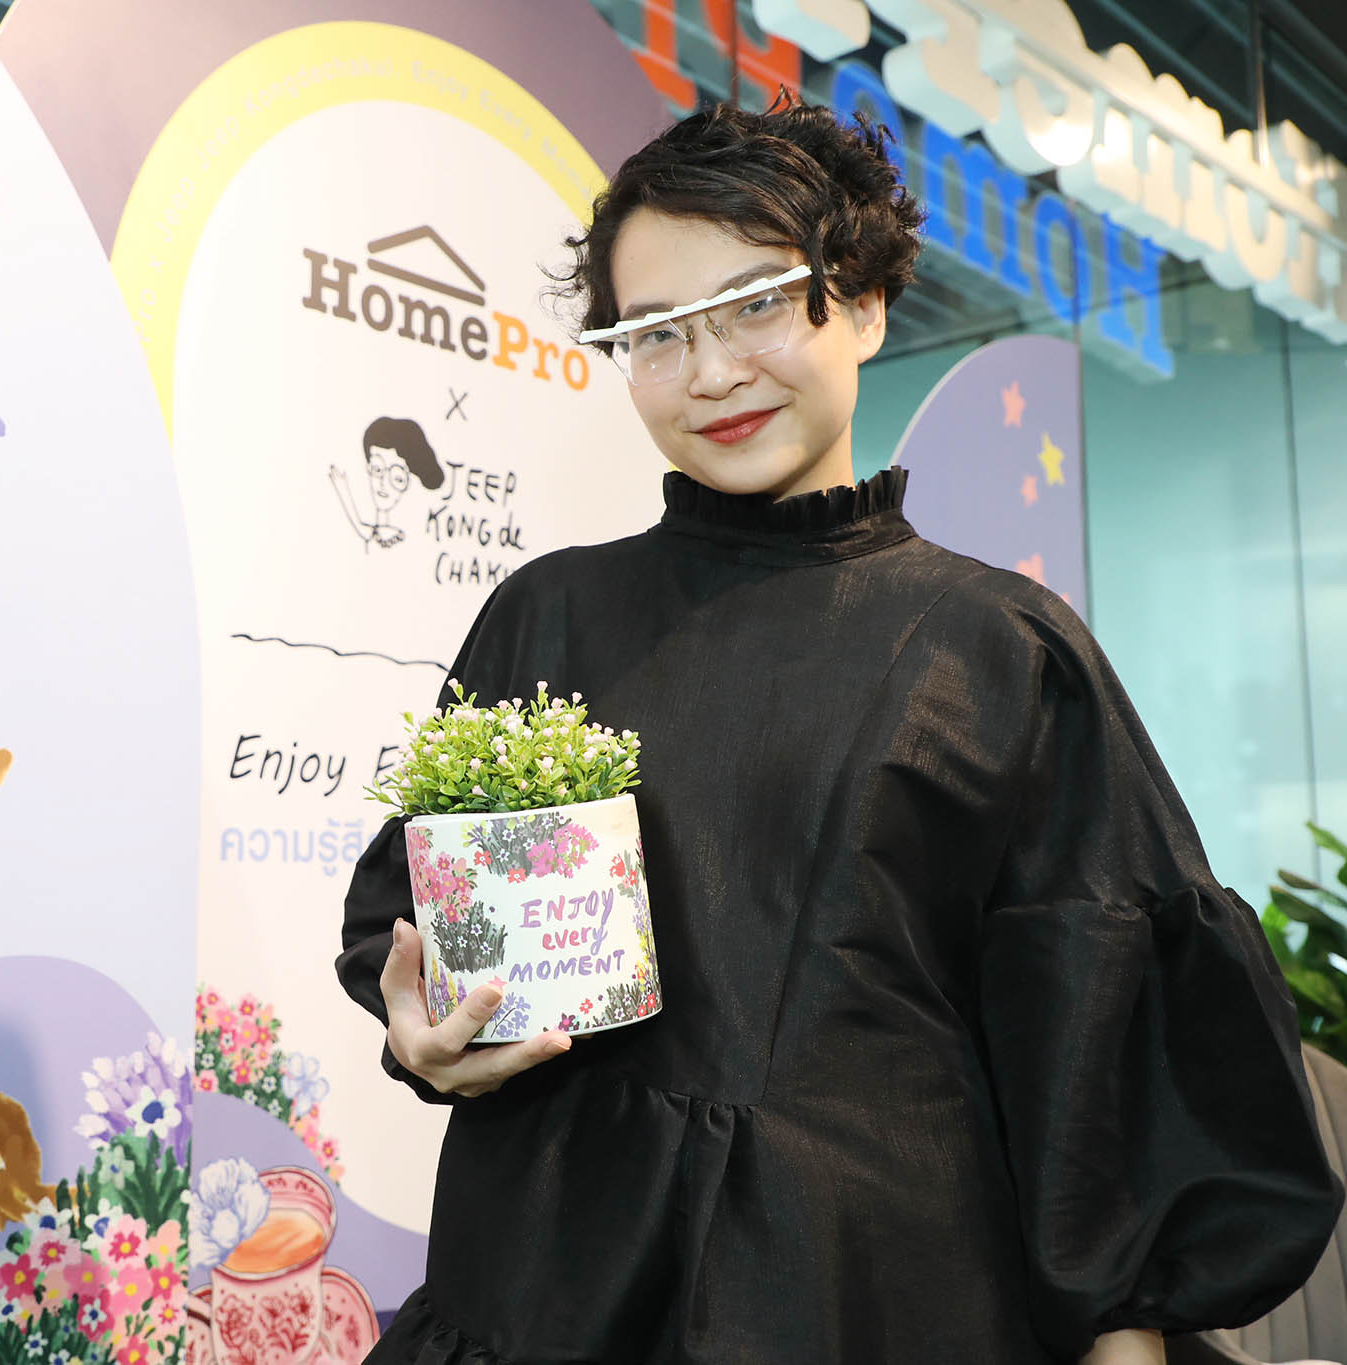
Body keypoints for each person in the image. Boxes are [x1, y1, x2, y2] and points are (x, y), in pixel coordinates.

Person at [335, 92, 1342, 1365]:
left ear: (860, 305)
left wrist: (1121, 1334)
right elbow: (418, 917)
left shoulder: (999, 647)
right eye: (655, 333)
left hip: (869, 1293)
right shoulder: (549, 617)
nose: (710, 372)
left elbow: (1091, 1023)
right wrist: (429, 1038)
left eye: (754, 304)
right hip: (546, 1280)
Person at [330, 415, 445, 549]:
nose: (383, 483)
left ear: (408, 483)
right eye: (377, 469)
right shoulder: (374, 532)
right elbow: (363, 530)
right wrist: (342, 488)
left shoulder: (398, 536)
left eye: (397, 478)